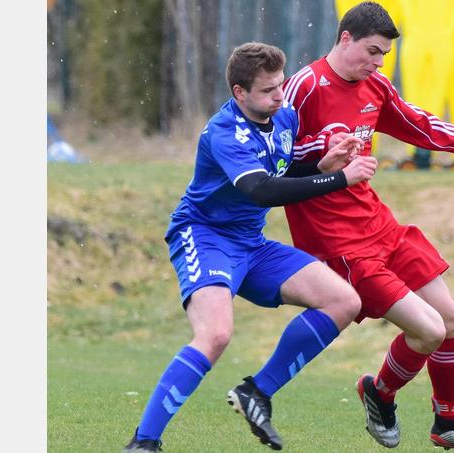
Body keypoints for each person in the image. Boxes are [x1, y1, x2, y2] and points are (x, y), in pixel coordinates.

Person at [279, 2, 454, 451]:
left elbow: (426, 130)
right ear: (345, 39)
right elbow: (273, 162)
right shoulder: (304, 87)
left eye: (383, 55)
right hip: (340, 243)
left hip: (380, 226)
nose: (378, 62)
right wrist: (318, 159)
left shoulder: (375, 86)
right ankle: (380, 394)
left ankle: (448, 421)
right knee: (429, 331)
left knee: (453, 319)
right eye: (372, 51)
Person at [123, 42, 378, 452]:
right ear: (240, 93)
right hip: (205, 237)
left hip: (251, 243)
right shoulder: (224, 131)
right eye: (267, 90)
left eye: (280, 85)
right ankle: (144, 443)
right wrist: (340, 180)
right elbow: (260, 189)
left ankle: (256, 392)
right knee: (216, 334)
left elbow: (279, 169)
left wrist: (322, 164)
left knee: (343, 300)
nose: (280, 95)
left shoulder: (285, 117)